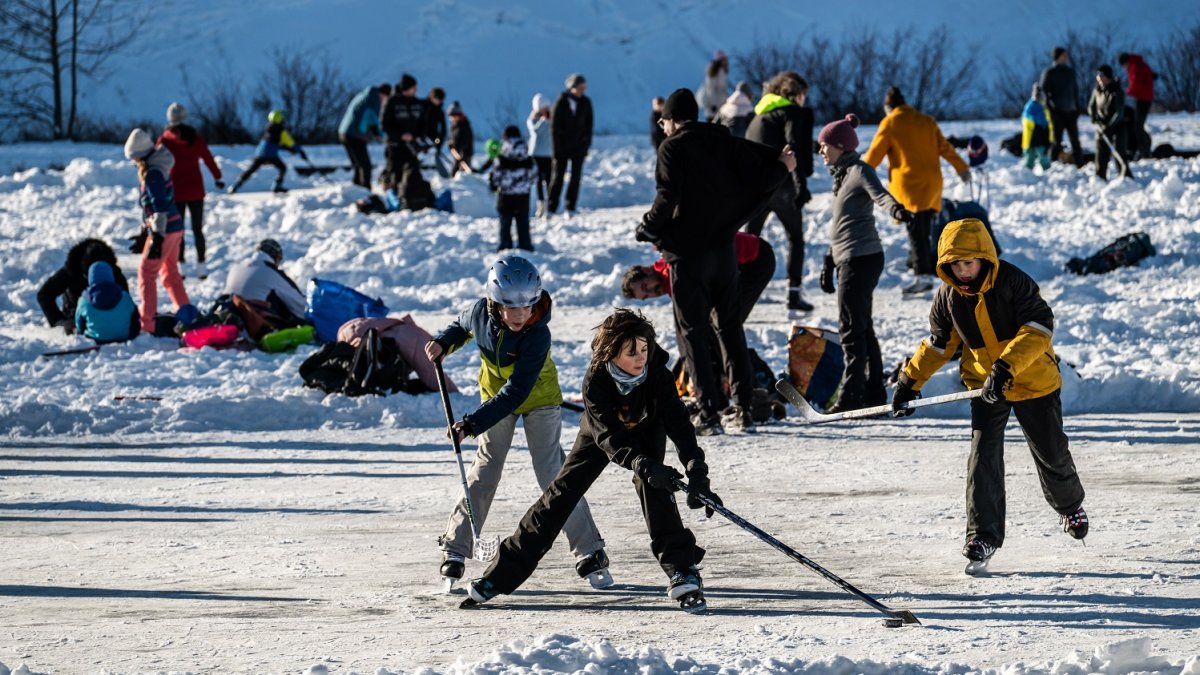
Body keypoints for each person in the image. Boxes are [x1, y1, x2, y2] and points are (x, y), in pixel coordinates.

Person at [461, 309, 720, 612]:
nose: (641, 358)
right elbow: (609, 437)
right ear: (611, 353)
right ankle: (500, 575)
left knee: (655, 489)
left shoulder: (659, 374)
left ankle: (683, 570)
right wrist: (642, 463)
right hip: (600, 434)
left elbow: (679, 424)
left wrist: (697, 470)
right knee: (560, 495)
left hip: (646, 429)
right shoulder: (596, 379)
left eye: (644, 349)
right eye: (631, 352)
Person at [890, 217, 1088, 570]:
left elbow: (1038, 329)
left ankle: (1070, 506)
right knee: (983, 458)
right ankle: (982, 535)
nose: (962, 272)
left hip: (1032, 379)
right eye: (954, 265)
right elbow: (939, 345)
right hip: (985, 385)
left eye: (968, 263)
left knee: (1051, 451)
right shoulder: (949, 296)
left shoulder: (1013, 281)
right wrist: (909, 381)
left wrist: (1006, 367)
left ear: (984, 257)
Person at [425, 255, 610, 590]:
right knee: (486, 468)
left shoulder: (538, 334)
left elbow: (516, 392)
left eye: (527, 306)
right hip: (493, 397)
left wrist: (471, 424)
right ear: (494, 302)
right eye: (511, 307)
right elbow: (461, 326)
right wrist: (442, 343)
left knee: (552, 472)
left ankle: (589, 550)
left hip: (538, 398)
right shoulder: (479, 311)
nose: (520, 315)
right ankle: (455, 548)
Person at [636, 88, 794, 435]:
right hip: (724, 254)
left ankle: (709, 412)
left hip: (688, 256)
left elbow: (667, 196)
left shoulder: (672, 147)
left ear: (672, 119)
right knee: (730, 328)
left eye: (663, 122)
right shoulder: (725, 142)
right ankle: (743, 407)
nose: (663, 128)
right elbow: (761, 177)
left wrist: (648, 227)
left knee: (693, 333)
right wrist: (782, 167)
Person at [818, 114, 912, 413]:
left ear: (840, 146)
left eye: (825, 145)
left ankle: (851, 396)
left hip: (861, 257)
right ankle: (872, 393)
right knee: (862, 327)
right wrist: (829, 262)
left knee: (850, 328)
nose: (821, 151)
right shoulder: (843, 177)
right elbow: (843, 224)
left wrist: (897, 210)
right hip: (849, 256)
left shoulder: (859, 170)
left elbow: (881, 196)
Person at [863, 86, 969, 296]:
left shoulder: (890, 122)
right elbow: (945, 148)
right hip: (931, 184)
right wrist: (961, 168)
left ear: (888, 107)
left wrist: (860, 175)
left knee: (916, 232)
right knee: (923, 229)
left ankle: (923, 276)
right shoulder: (926, 121)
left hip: (909, 186)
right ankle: (925, 269)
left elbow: (874, 154)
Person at [744, 71, 814, 317]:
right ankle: (794, 294)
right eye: (804, 95)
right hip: (782, 187)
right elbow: (792, 147)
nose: (804, 100)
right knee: (795, 238)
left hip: (757, 190)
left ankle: (738, 290)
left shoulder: (758, 115)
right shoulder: (790, 112)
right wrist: (801, 186)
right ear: (795, 94)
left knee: (748, 240)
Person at [622, 232, 775, 327]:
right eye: (646, 296)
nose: (651, 293)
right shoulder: (668, 274)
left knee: (727, 323)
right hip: (745, 258)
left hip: (756, 258)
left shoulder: (671, 273)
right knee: (720, 325)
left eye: (645, 287)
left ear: (646, 270)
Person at [124, 128, 191, 334]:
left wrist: (157, 237)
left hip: (165, 229)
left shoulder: (153, 173)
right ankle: (187, 313)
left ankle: (148, 322)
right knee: (170, 273)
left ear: (140, 156)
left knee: (146, 272)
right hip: (175, 226)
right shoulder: (158, 166)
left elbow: (159, 207)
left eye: (133, 158)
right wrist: (146, 231)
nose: (133, 162)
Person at [157, 103, 223, 279]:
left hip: (176, 192)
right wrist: (218, 177)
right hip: (195, 191)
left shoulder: (165, 141)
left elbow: (154, 161)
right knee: (197, 229)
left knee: (178, 231)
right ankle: (202, 267)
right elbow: (208, 158)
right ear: (185, 117)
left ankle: (182, 267)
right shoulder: (195, 138)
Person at [38, 238, 129, 333]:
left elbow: (126, 303)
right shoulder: (72, 269)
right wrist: (60, 320)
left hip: (107, 320)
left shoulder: (114, 272)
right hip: (75, 320)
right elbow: (44, 294)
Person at [224, 239, 307, 323]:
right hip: (255, 325)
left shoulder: (236, 268)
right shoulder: (271, 271)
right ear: (276, 258)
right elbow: (300, 305)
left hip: (228, 318)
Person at [227, 110, 307, 194]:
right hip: (271, 154)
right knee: (283, 168)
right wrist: (299, 150)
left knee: (251, 170)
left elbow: (275, 143)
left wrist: (287, 148)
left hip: (260, 153)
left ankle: (235, 186)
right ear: (279, 119)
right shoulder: (280, 130)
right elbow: (290, 142)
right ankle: (277, 186)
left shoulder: (268, 128)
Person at [548, 73, 593, 216]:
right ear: (572, 87)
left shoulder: (586, 103)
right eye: (580, 87)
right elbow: (554, 128)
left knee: (576, 178)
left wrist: (586, 145)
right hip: (562, 148)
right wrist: (556, 149)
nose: (582, 90)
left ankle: (570, 206)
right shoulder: (561, 102)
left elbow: (589, 126)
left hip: (578, 147)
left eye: (584, 88)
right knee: (558, 177)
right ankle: (552, 207)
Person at [489, 126, 538, 252]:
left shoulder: (502, 156)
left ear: (506, 137)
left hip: (506, 196)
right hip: (523, 196)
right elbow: (534, 178)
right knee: (523, 223)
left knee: (505, 224)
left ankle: (505, 246)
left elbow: (496, 178)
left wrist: (496, 184)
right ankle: (525, 245)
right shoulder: (528, 157)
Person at [380, 74, 429, 198]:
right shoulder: (392, 102)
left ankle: (409, 197)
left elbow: (423, 123)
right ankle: (394, 197)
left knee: (412, 172)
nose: (416, 90)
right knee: (394, 173)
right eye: (413, 87)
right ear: (406, 88)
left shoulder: (417, 104)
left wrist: (418, 136)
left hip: (411, 147)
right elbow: (385, 125)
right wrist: (400, 135)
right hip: (394, 145)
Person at [338, 83, 391, 189]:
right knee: (365, 165)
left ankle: (356, 189)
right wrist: (385, 135)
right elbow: (376, 121)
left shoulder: (364, 95)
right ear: (384, 94)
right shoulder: (373, 100)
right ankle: (365, 190)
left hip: (343, 132)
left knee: (358, 165)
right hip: (354, 134)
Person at [74, 261, 140, 343]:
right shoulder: (124, 296)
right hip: (122, 336)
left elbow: (79, 324)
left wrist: (80, 332)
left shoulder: (84, 299)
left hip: (94, 338)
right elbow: (135, 315)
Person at [1039, 47, 1083, 166]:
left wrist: (1077, 108)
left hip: (1071, 112)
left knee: (1075, 141)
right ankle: (1051, 165)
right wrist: (1050, 109)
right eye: (1064, 55)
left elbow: (1075, 90)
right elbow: (1043, 92)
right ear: (1057, 57)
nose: (1066, 58)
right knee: (1057, 141)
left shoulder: (1070, 72)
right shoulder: (1050, 72)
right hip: (1057, 113)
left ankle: (1080, 165)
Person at [1088, 65, 1133, 181]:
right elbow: (1091, 107)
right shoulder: (1097, 90)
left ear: (1108, 77)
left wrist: (1109, 126)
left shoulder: (1117, 91)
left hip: (1118, 126)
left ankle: (1126, 178)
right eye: (1098, 76)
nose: (1099, 78)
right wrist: (1093, 117)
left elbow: (1119, 112)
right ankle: (1100, 178)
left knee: (1119, 151)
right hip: (1102, 126)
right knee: (1101, 152)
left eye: (1102, 75)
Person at [1118, 53, 1155, 160]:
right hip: (1144, 98)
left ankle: (1145, 152)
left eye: (1123, 65)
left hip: (1143, 99)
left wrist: (1126, 93)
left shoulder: (1135, 67)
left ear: (1126, 62)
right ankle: (1143, 149)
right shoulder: (1139, 65)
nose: (1124, 68)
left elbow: (1135, 84)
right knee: (1138, 126)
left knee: (1138, 127)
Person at [526, 93, 554, 218]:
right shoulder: (532, 120)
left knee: (549, 180)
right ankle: (540, 205)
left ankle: (550, 205)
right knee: (538, 181)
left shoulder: (551, 118)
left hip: (548, 154)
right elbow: (536, 131)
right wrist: (544, 120)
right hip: (536, 154)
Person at [1021, 84, 1055, 171]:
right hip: (1032, 138)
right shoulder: (1031, 107)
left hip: (1041, 138)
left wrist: (1050, 139)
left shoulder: (1043, 107)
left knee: (1044, 159)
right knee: (1029, 160)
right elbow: (1041, 122)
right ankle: (1027, 175)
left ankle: (1049, 174)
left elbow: (1048, 125)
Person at [697, 49, 729, 122]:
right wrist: (713, 104)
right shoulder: (714, 72)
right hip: (713, 107)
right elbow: (711, 89)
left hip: (719, 105)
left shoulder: (721, 71)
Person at [447, 101, 475, 176]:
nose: (451, 119)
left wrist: (462, 152)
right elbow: (452, 138)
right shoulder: (454, 125)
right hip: (457, 153)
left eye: (453, 116)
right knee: (455, 171)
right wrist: (451, 145)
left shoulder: (464, 125)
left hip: (465, 154)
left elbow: (466, 140)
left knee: (464, 173)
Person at [425, 86, 448, 152]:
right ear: (432, 97)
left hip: (433, 139)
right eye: (437, 99)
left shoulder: (440, 111)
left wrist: (438, 141)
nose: (438, 101)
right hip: (420, 139)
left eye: (440, 100)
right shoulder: (423, 107)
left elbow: (443, 129)